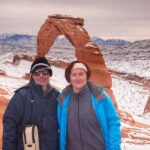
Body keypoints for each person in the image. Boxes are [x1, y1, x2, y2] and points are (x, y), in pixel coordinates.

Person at [57, 60, 121, 150]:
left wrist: (113, 148)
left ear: (87, 76)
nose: (78, 78)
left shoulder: (99, 95)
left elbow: (113, 122)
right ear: (69, 78)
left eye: (81, 74)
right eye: (74, 75)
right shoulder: (63, 99)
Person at [3, 57, 60, 150]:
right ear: (32, 75)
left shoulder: (57, 96)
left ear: (49, 74)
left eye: (45, 72)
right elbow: (10, 126)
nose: (41, 75)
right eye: (37, 72)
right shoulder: (21, 96)